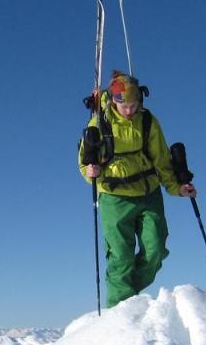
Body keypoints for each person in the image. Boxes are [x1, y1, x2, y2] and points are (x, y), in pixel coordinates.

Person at [79, 72, 196, 308]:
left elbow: (162, 160)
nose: (130, 111)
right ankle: (119, 313)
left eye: (134, 105)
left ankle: (126, 298)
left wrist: (178, 188)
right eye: (125, 106)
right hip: (114, 198)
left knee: (155, 250)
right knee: (120, 257)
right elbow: (85, 160)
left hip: (148, 193)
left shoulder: (148, 121)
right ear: (114, 101)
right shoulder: (99, 123)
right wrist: (89, 172)